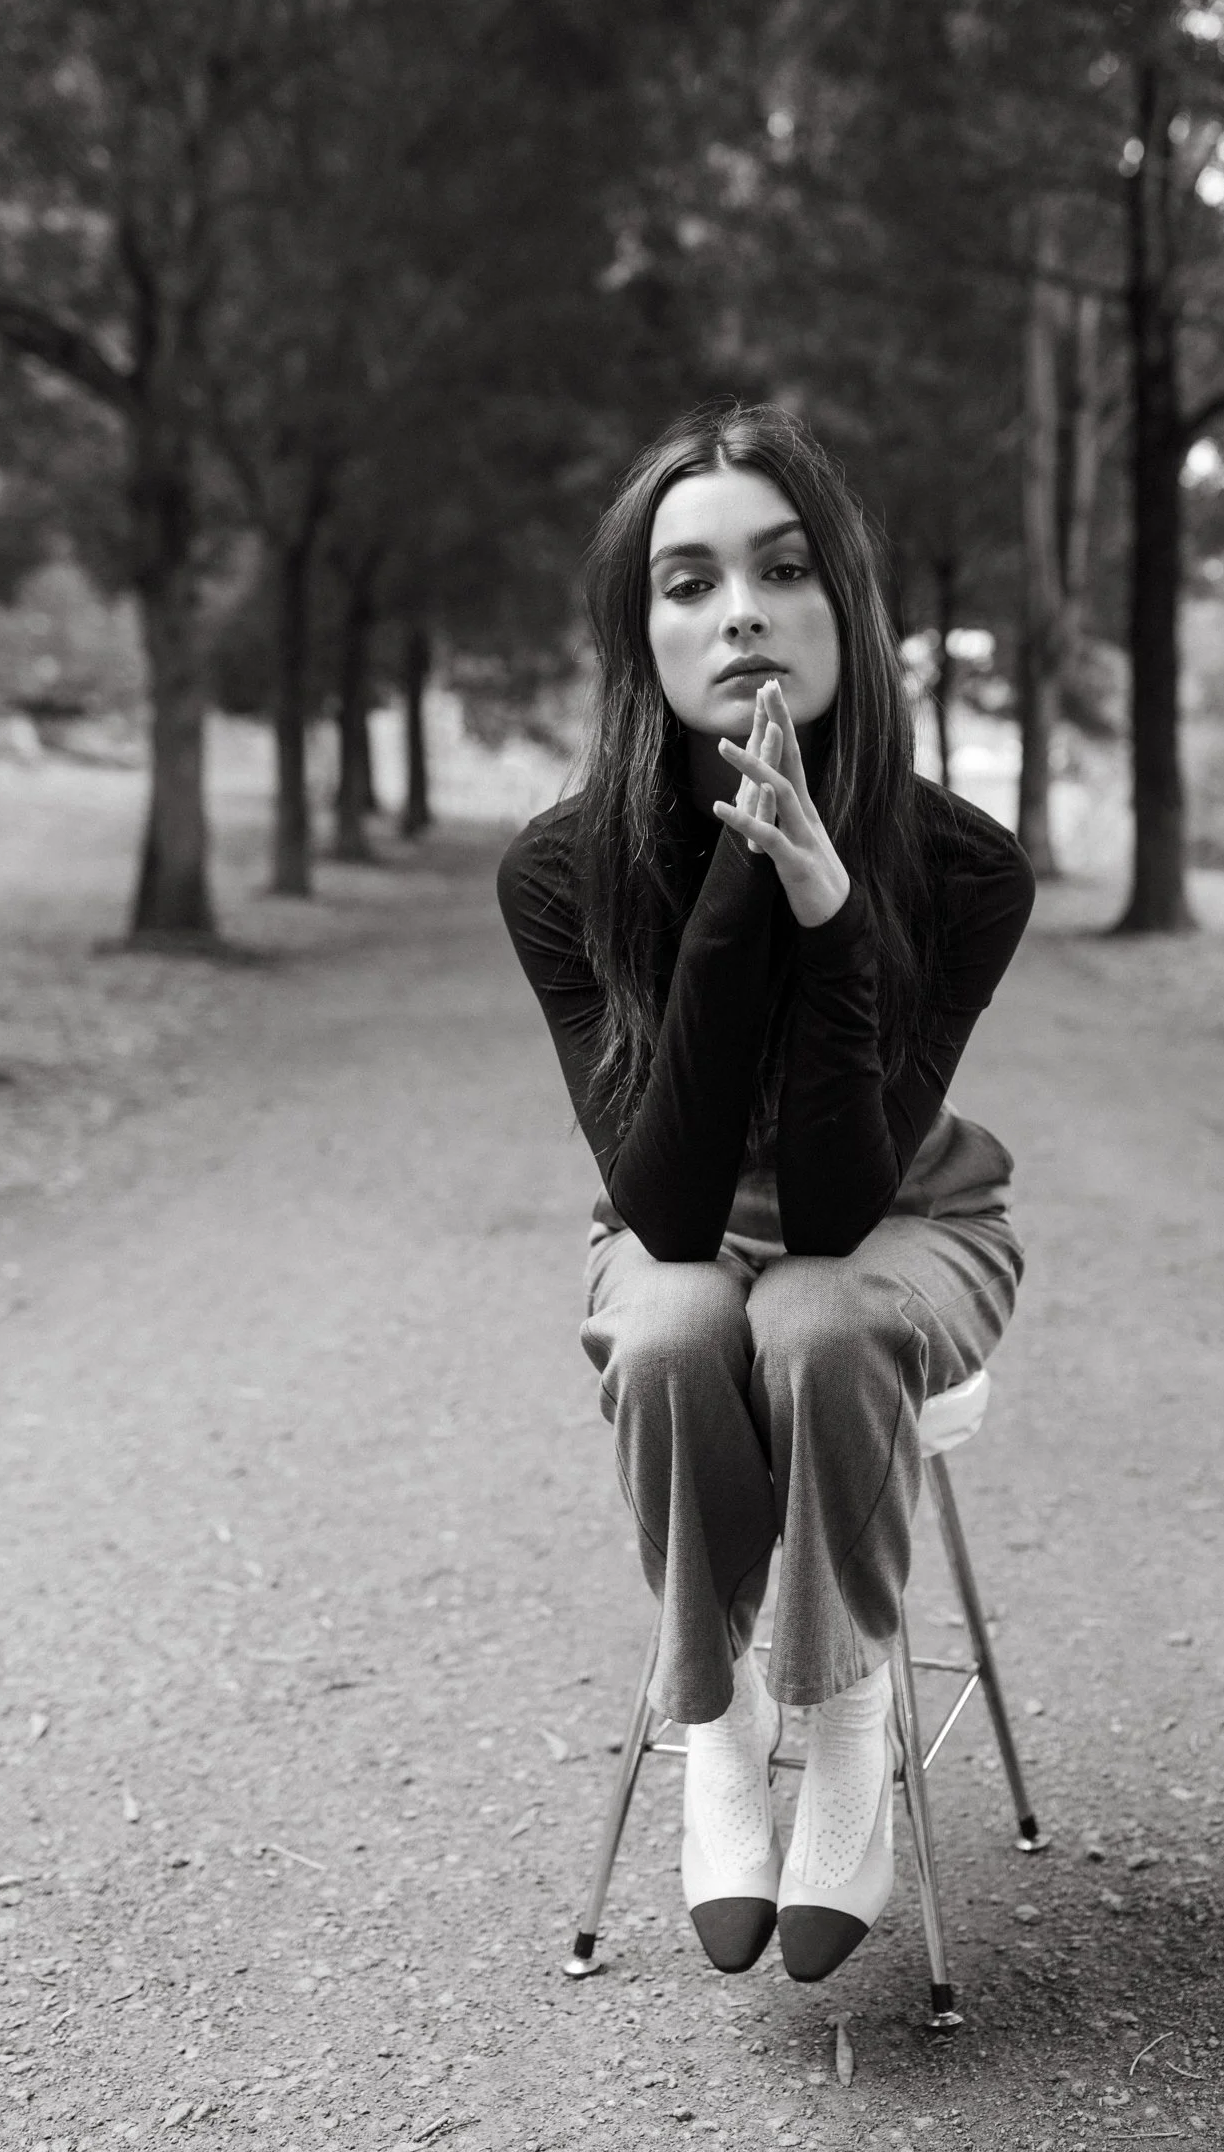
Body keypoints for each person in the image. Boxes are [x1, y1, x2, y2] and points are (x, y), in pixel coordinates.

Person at [498, 403, 1034, 1985]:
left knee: (818, 1320)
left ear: (845, 609)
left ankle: (849, 1713)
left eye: (783, 567)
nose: (739, 608)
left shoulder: (966, 870)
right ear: (641, 636)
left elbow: (835, 1203)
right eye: (688, 581)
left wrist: (835, 910)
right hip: (676, 1226)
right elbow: (664, 1212)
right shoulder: (560, 873)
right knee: (668, 1332)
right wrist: (744, 889)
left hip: (903, 1220)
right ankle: (717, 1729)